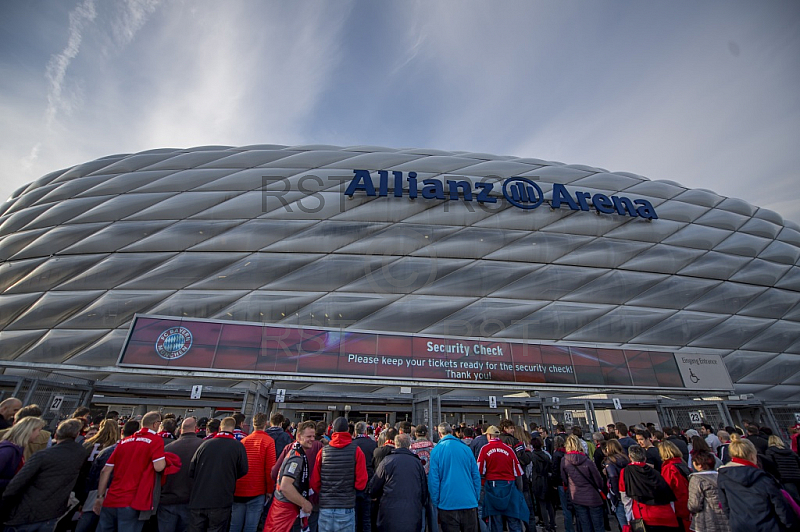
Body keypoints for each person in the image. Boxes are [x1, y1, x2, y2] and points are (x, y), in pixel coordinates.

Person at [0, 419, 88, 530]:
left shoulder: (42, 456)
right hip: (51, 512)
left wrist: (4, 508)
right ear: (77, 435)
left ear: (56, 434)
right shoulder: (80, 453)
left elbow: (16, 485)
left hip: (26, 512)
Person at [94, 411, 166, 532]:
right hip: (132, 500)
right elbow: (159, 467)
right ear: (156, 424)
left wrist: (100, 496)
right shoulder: (155, 440)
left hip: (111, 498)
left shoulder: (124, 442)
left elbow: (105, 471)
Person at [718, 433, 796, 531]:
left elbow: (725, 506)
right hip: (769, 526)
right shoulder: (763, 478)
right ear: (752, 456)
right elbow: (781, 507)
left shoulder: (724, 476)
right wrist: (790, 525)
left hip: (741, 526)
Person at [188, 416, 249, 532]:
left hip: (199, 498)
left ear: (220, 428)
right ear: (233, 428)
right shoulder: (238, 446)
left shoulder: (204, 444)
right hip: (222, 499)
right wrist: (230, 476)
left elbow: (191, 470)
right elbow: (244, 470)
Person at [309, 416, 368, 532]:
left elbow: (314, 482)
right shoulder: (356, 451)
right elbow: (361, 482)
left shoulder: (323, 452)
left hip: (326, 506)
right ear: (348, 431)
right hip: (346, 506)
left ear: (332, 431)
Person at [428, 422, 481, 532]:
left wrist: (436, 501)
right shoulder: (466, 449)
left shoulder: (436, 451)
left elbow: (434, 480)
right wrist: (475, 496)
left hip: (447, 503)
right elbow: (475, 475)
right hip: (469, 501)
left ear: (439, 434)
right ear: (451, 432)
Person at [369, 433, 428, 532]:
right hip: (412, 512)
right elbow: (424, 490)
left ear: (396, 444)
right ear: (409, 445)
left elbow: (374, 486)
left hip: (389, 513)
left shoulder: (387, 461)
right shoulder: (417, 463)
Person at [265, 421, 316, 532]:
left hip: (284, 508)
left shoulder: (295, 451)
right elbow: (285, 486)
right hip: (286, 511)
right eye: (308, 436)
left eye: (313, 436)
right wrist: (304, 503)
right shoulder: (297, 457)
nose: (312, 439)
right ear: (299, 436)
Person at [477, 425, 529, 532]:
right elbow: (518, 472)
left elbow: (479, 471)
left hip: (493, 488)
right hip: (509, 487)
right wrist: (519, 491)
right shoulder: (508, 449)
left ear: (489, 435)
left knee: (496, 522)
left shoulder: (485, 449)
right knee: (514, 520)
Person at [230, 412, 276, 532]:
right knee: (250, 527)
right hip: (257, 488)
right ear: (266, 424)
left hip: (239, 488)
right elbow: (269, 468)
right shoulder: (268, 441)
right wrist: (270, 490)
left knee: (234, 526)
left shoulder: (244, 440)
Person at [619, 444, 681, 532]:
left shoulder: (625, 472)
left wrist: (629, 518)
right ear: (645, 458)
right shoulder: (655, 472)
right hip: (666, 515)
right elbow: (668, 494)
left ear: (629, 457)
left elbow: (625, 497)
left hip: (644, 516)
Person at [159, 417, 204, 532]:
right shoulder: (203, 447)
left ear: (180, 430)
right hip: (191, 500)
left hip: (167, 500)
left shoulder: (167, 448)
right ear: (196, 429)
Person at [560, 434, 605, 532]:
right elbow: (598, 479)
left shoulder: (564, 461)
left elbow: (564, 478)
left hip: (576, 495)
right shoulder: (587, 461)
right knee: (598, 525)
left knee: (585, 525)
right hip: (592, 496)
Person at [0, 416, 45, 497]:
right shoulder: (8, 451)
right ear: (29, 430)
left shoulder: (17, 449)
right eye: (39, 430)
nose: (39, 434)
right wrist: (14, 482)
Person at [687, 450, 730, 532]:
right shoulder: (722, 477)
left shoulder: (697, 479)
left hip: (706, 520)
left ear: (699, 465)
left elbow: (694, 505)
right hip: (725, 519)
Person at [658, 440, 691, 532]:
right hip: (688, 499)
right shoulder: (682, 463)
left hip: (679, 503)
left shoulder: (669, 467)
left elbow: (667, 487)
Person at [352, 421, 377, 532]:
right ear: (365, 431)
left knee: (355, 517)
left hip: (354, 483)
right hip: (369, 482)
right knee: (366, 518)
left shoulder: (352, 445)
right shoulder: (373, 444)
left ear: (355, 432)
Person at [529, 437, 555, 532]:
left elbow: (530, 470)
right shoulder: (546, 455)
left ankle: (546, 524)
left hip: (537, 480)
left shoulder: (532, 456)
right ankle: (552, 523)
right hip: (547, 479)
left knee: (542, 504)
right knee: (549, 503)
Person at [603, 439, 630, 531]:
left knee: (623, 522)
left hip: (618, 494)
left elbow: (613, 476)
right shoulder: (626, 458)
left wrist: (616, 494)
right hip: (629, 490)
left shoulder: (610, 461)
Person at [765, 434, 800, 503]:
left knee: (794, 499)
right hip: (797, 475)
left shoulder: (770, 452)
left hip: (784, 478)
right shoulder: (789, 451)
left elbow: (771, 465)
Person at [551, 435, 574, 532]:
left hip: (561, 483)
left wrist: (555, 483)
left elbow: (555, 470)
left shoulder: (556, 455)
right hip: (570, 482)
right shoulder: (567, 453)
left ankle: (569, 529)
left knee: (566, 508)